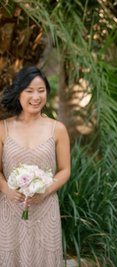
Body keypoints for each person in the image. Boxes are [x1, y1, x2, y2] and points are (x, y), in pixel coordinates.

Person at [0, 66, 70, 267]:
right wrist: (6, 189)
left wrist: (45, 190)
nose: (36, 97)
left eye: (41, 90)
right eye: (29, 91)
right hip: (9, 208)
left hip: (45, 208)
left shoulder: (58, 129)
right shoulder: (3, 128)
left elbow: (65, 169)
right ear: (19, 92)